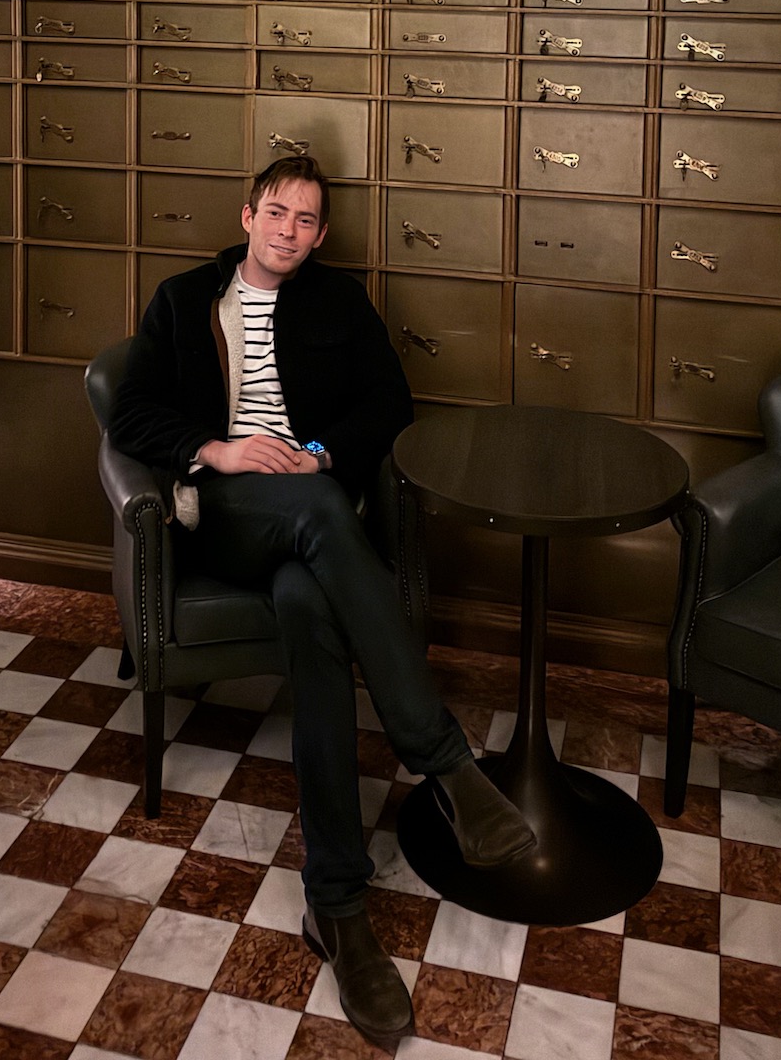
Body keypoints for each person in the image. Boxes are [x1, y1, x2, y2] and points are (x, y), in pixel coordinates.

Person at [110, 154, 536, 1040]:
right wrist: (215, 449)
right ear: (247, 215)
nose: (289, 232)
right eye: (276, 213)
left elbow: (391, 402)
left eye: (306, 220)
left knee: (309, 602)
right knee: (311, 522)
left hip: (312, 516)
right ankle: (447, 764)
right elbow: (130, 414)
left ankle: (336, 907)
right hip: (227, 513)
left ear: (322, 233)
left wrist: (320, 453)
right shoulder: (186, 300)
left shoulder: (339, 301)